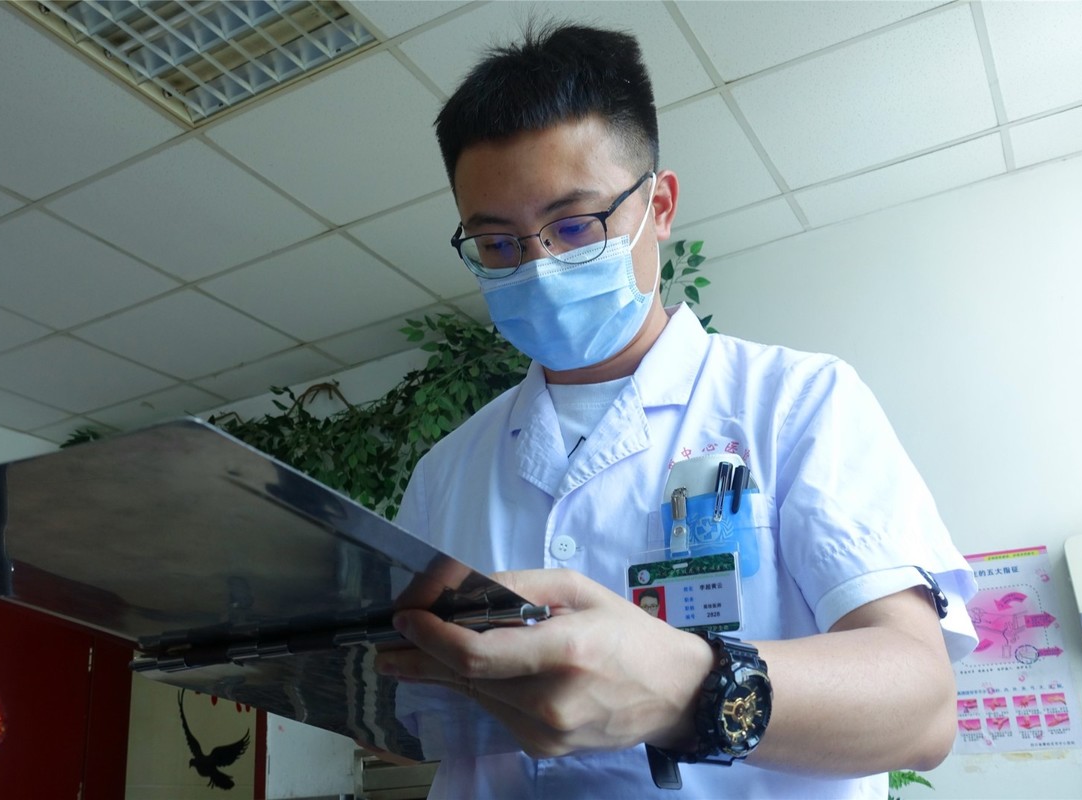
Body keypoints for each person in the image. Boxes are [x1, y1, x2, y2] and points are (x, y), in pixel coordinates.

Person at [374, 23, 977, 799]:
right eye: (498, 245)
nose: (540, 268)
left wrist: (684, 687)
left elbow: (920, 709)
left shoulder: (796, 402)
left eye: (575, 226)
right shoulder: (447, 470)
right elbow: (413, 721)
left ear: (658, 207)